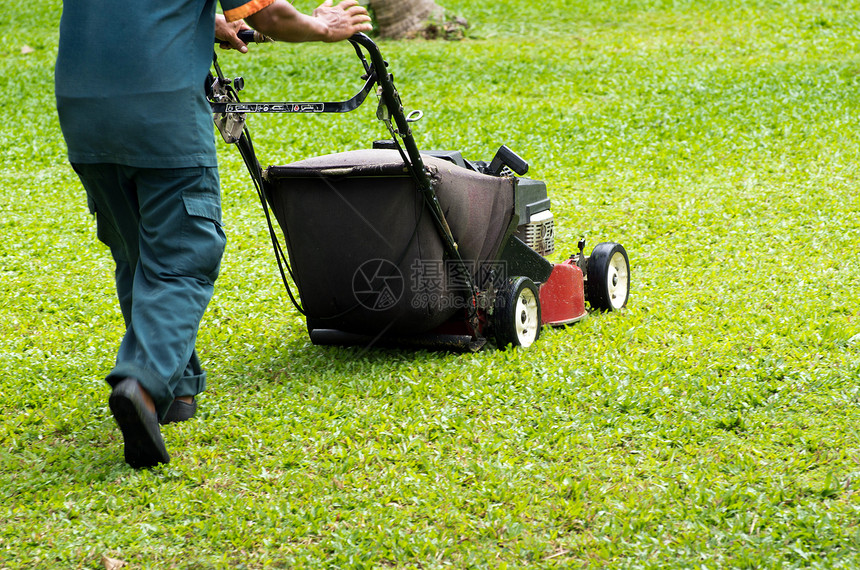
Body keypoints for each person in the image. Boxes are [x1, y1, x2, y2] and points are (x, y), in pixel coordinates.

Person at [55, 0, 372, 468]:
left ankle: (177, 392)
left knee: (137, 252)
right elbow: (270, 17)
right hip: (160, 112)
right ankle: (141, 383)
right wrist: (325, 27)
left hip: (82, 112)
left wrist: (205, 24)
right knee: (185, 254)